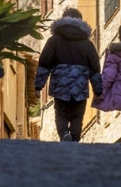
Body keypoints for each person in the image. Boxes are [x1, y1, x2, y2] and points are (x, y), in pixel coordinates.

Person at [34, 8, 102, 142]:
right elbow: (95, 68)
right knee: (77, 115)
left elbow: (44, 63)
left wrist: (38, 86)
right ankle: (75, 137)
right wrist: (98, 91)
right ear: (80, 21)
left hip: (61, 82)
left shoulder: (54, 40)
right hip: (80, 84)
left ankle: (64, 133)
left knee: (61, 113)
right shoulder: (87, 44)